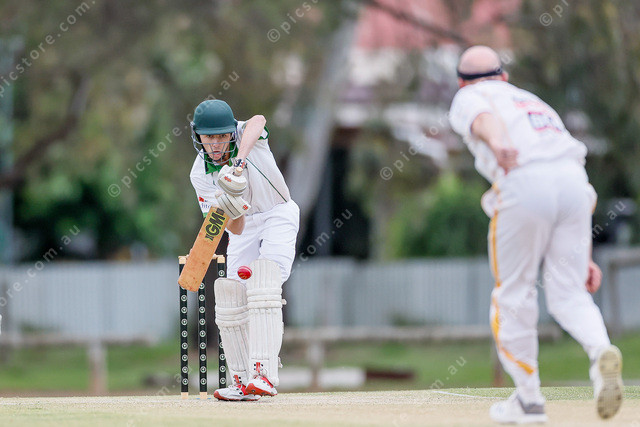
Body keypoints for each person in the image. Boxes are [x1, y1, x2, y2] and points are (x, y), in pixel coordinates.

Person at [449, 46, 623, 424]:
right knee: (570, 293)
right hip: (575, 187)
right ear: (504, 76)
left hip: (524, 183)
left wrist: (498, 144)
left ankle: (529, 399)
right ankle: (601, 353)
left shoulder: (468, 95)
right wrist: (583, 256)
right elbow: (564, 164)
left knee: (513, 294)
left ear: (461, 82)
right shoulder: (531, 101)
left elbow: (481, 117)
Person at [188, 99, 299, 401]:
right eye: (208, 137)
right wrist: (232, 201)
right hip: (245, 225)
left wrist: (237, 165)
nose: (215, 144)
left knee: (265, 282)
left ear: (230, 132)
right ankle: (241, 379)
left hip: (277, 211)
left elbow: (259, 119)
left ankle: (264, 374)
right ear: (198, 136)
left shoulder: (246, 135)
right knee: (231, 294)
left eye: (221, 136)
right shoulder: (200, 175)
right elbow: (235, 229)